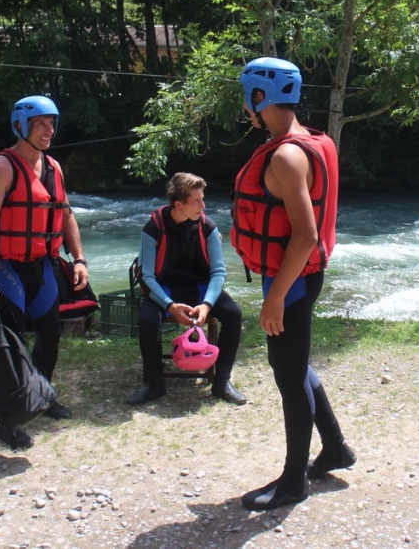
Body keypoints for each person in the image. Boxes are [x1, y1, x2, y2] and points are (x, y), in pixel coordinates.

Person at [231, 56, 355, 512]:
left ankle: (292, 482)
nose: (247, 105)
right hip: (305, 273)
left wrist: (276, 298)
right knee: (297, 364)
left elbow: (303, 236)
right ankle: (336, 448)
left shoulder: (285, 154)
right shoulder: (315, 141)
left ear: (259, 97)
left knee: (287, 373)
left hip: (292, 278)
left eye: (248, 96)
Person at [0, 94, 89, 450]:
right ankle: (7, 421)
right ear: (21, 126)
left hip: (43, 265)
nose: (48, 130)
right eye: (40, 123)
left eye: (52, 123)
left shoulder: (54, 167)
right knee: (10, 346)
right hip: (7, 267)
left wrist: (80, 259)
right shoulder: (2, 167)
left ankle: (42, 397)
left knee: (50, 336)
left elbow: (65, 214)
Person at [126, 172, 247, 406]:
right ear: (178, 204)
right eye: (197, 200)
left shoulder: (207, 226)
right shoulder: (153, 228)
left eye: (203, 198)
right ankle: (155, 385)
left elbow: (218, 272)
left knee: (233, 314)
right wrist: (170, 305)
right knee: (148, 321)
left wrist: (207, 304)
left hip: (198, 288)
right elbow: (146, 275)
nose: (204, 205)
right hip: (164, 290)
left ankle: (222, 382)